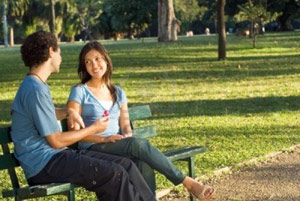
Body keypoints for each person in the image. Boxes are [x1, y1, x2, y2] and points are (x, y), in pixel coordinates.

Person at [10, 30, 156, 201]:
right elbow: (56, 141)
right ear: (51, 51)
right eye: (59, 52)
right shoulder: (34, 89)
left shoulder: (36, 85)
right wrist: (94, 128)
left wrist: (68, 112)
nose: (61, 58)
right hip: (43, 164)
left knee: (126, 165)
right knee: (114, 173)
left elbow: (45, 112)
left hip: (55, 157)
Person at [67, 41, 214, 200]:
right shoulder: (80, 91)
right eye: (88, 62)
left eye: (97, 59)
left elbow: (125, 125)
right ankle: (188, 183)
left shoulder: (118, 92)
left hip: (116, 145)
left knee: (143, 163)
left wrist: (126, 139)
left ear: (106, 60)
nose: (94, 65)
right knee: (137, 145)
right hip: (92, 147)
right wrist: (105, 138)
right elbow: (74, 133)